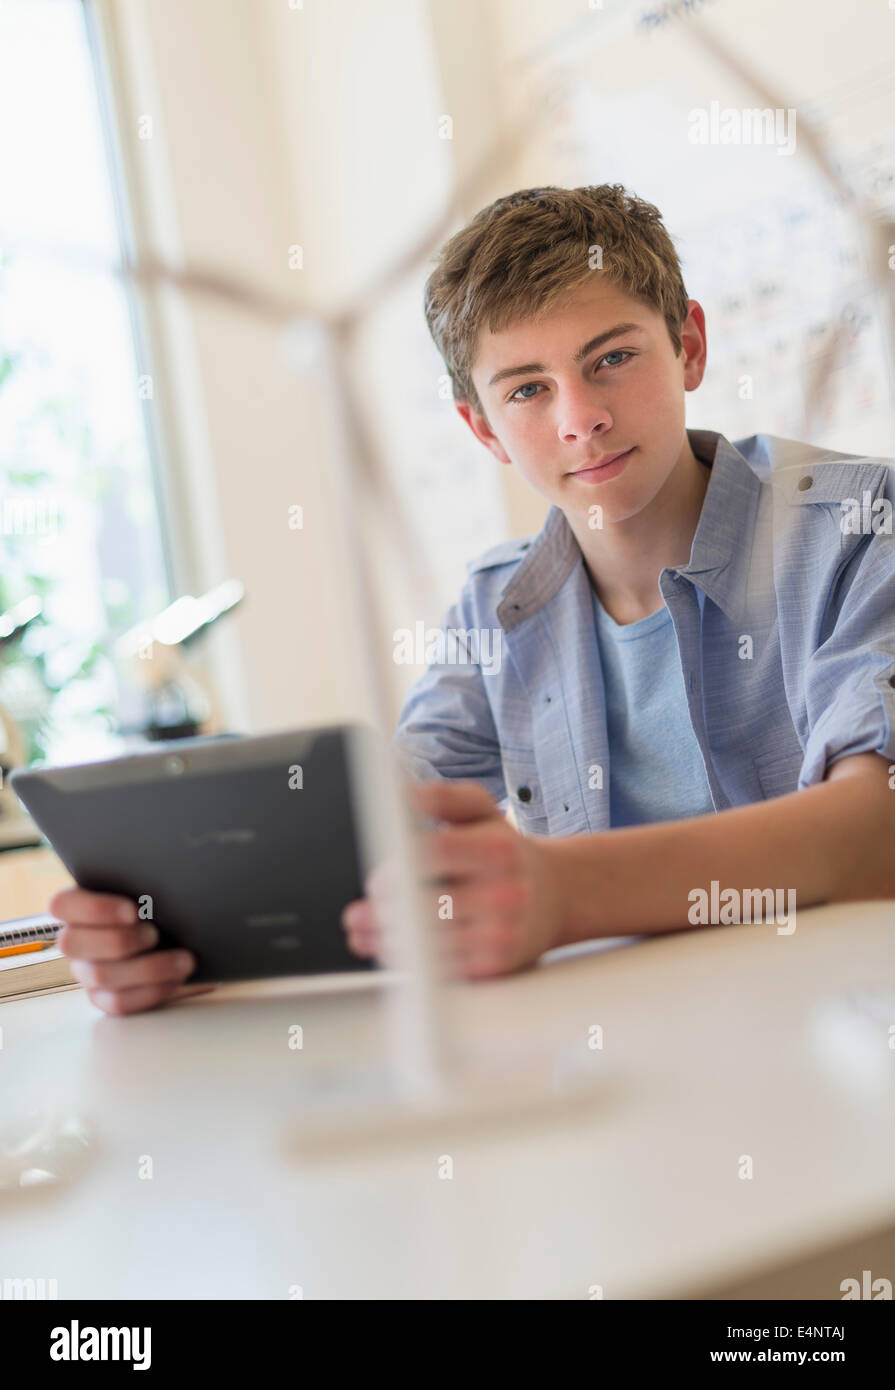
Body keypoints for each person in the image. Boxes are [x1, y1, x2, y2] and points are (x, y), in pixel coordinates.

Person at [52, 184, 895, 1013]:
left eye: (612, 358)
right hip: (629, 1053)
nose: (581, 418)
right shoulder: (499, 606)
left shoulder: (859, 525)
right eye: (527, 388)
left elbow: (875, 831)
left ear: (689, 345)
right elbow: (383, 824)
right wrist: (189, 931)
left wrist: (561, 894)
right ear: (482, 427)